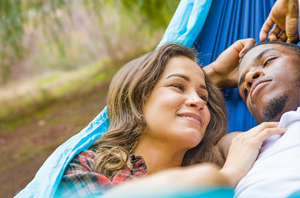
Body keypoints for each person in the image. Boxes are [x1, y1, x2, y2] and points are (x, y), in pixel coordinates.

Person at [55, 43, 286, 197]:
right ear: (137, 98)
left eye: (204, 96)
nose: (198, 101)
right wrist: (227, 176)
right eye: (177, 86)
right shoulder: (87, 165)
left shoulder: (220, 155)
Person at [205, 37, 300, 198]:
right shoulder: (246, 142)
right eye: (244, 91)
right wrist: (215, 74)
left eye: (268, 61)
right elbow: (164, 137)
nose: (249, 79)